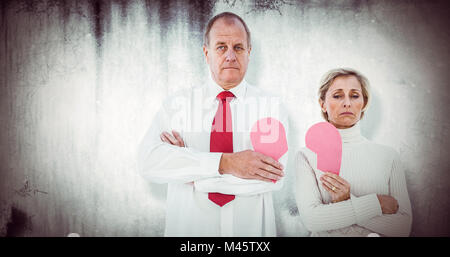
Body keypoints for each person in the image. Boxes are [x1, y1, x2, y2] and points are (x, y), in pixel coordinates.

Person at [137, 12, 289, 236]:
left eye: (238, 47)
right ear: (206, 53)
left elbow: (272, 179)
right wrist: (226, 163)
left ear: (249, 52)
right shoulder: (177, 105)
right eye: (221, 47)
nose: (230, 56)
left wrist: (192, 171)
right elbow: (149, 162)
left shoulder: (270, 107)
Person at [295, 68, 412, 236]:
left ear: (364, 102)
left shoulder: (388, 156)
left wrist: (348, 201)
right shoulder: (306, 155)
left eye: (355, 95)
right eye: (337, 95)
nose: (347, 103)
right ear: (322, 103)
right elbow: (312, 220)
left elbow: (402, 228)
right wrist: (376, 204)